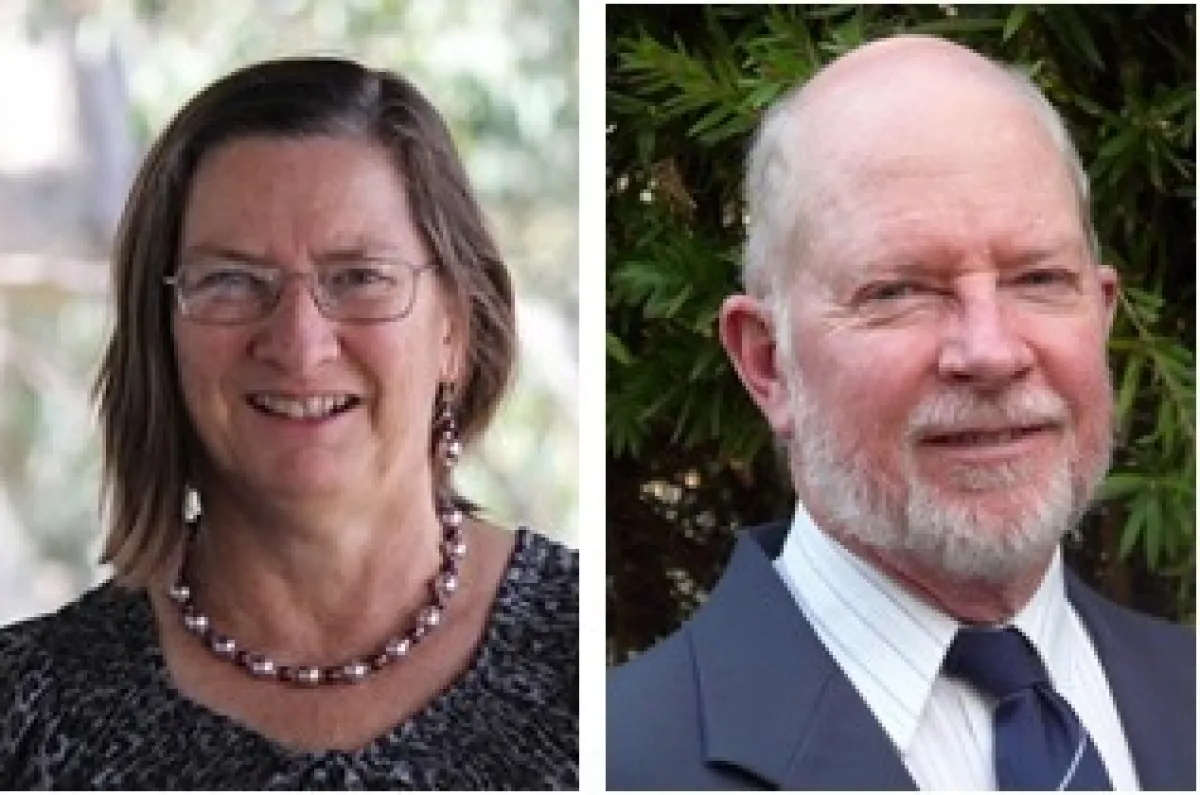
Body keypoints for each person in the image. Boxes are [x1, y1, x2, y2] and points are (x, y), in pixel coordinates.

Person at [607, 34, 1194, 791]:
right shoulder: (624, 761)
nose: (990, 350)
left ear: (1103, 313)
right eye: (899, 290)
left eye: (1039, 278)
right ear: (767, 360)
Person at [0, 56, 577, 789]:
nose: (300, 344)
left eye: (359, 276)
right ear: (161, 334)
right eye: (232, 281)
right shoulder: (28, 712)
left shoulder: (588, 665)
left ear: (455, 330)